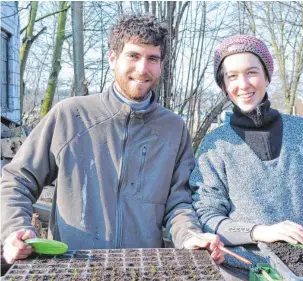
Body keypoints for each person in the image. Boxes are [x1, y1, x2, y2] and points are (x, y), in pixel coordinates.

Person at [1, 15, 224, 265]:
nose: (142, 68)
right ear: (113, 58)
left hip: (144, 267)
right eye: (133, 56)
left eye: (153, 58)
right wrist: (15, 229)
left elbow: (178, 202)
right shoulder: (70, 116)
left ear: (161, 65)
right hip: (72, 267)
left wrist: (190, 236)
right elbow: (17, 179)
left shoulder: (174, 128)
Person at [189, 34, 303, 280]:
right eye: (232, 76)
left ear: (266, 76)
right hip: (245, 269)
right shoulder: (215, 145)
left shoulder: (300, 130)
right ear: (224, 86)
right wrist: (262, 231)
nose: (243, 84)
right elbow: (207, 217)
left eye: (252, 72)